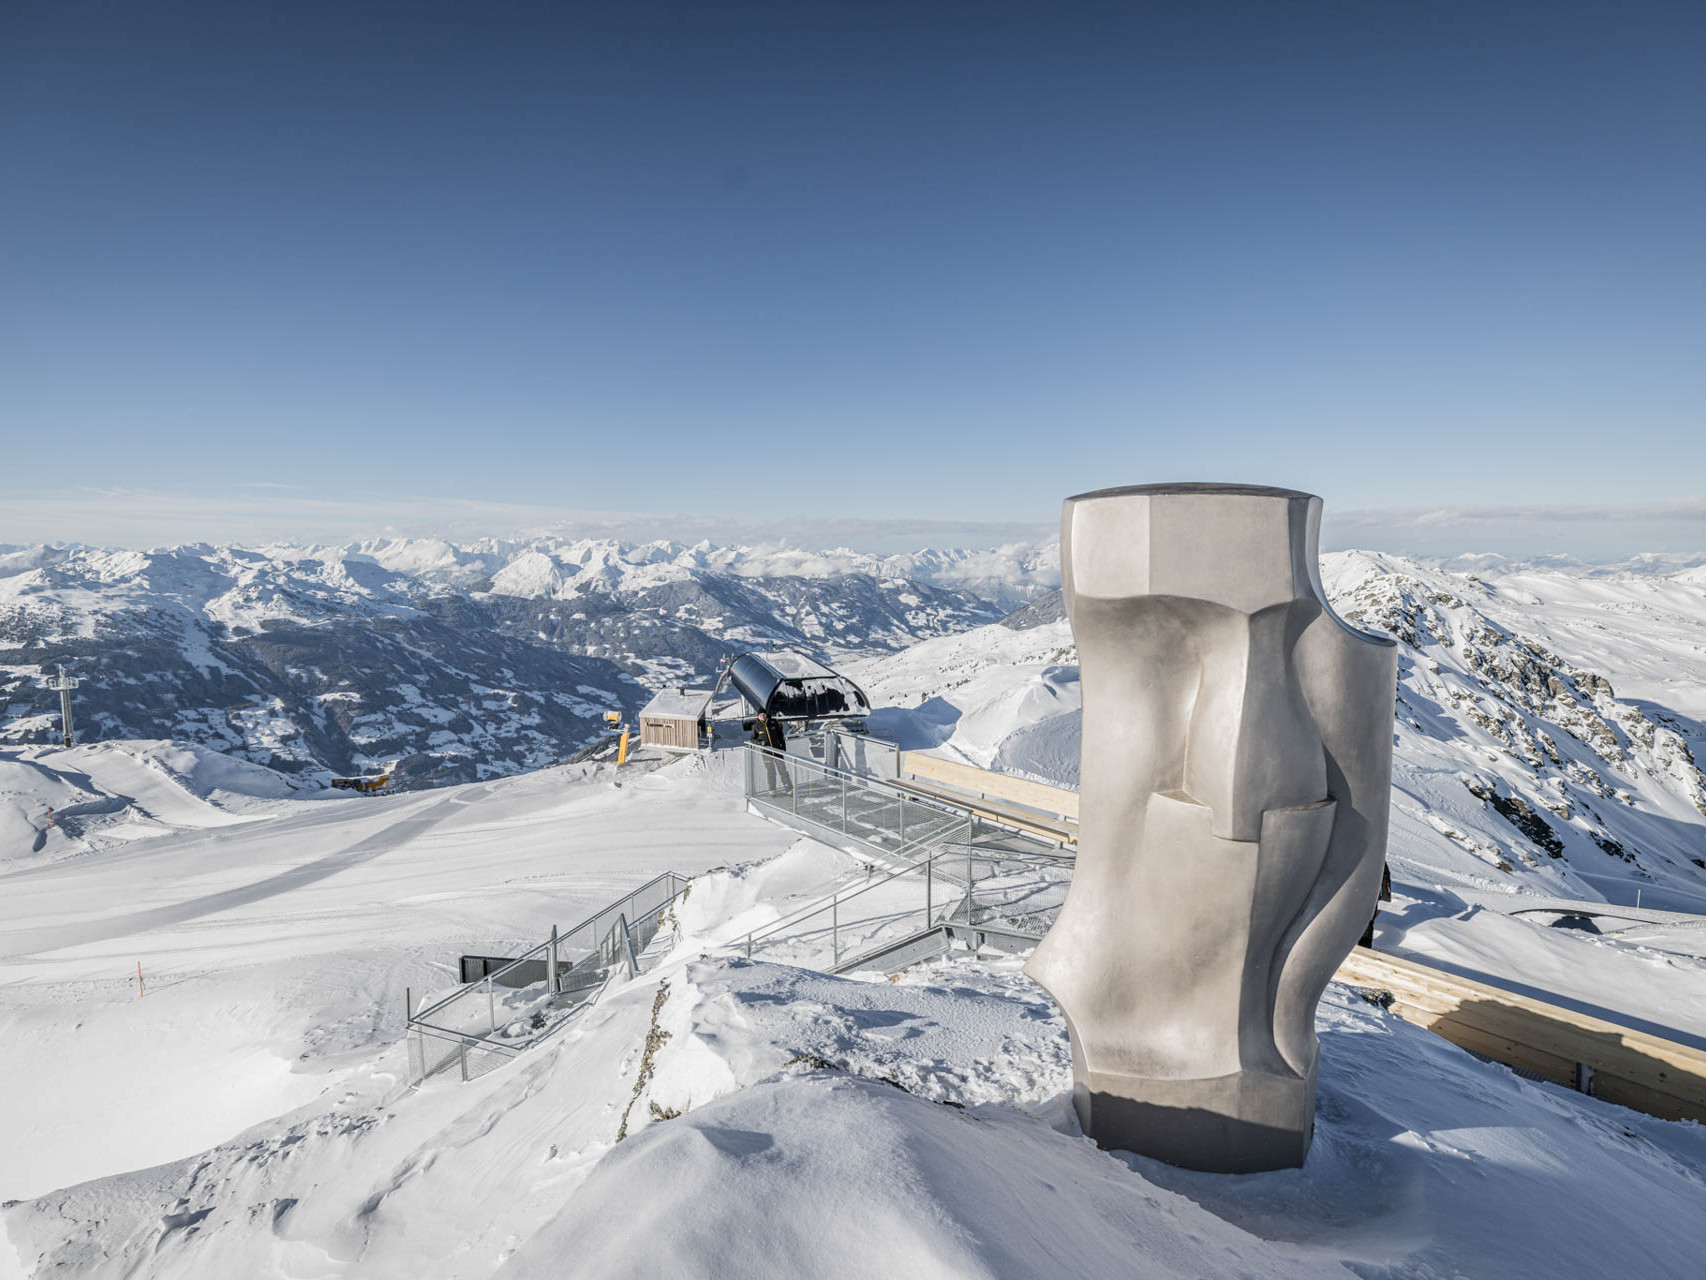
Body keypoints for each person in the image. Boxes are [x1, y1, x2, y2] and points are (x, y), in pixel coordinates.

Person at [752, 708, 790, 793]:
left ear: (766, 715)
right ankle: (772, 789)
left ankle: (788, 788)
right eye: (760, 715)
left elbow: (780, 735)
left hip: (777, 751)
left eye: (764, 714)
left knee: (782, 770)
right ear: (758, 717)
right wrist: (759, 743)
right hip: (766, 753)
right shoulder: (756, 726)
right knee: (771, 771)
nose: (762, 716)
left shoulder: (773, 722)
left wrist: (783, 746)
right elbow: (752, 739)